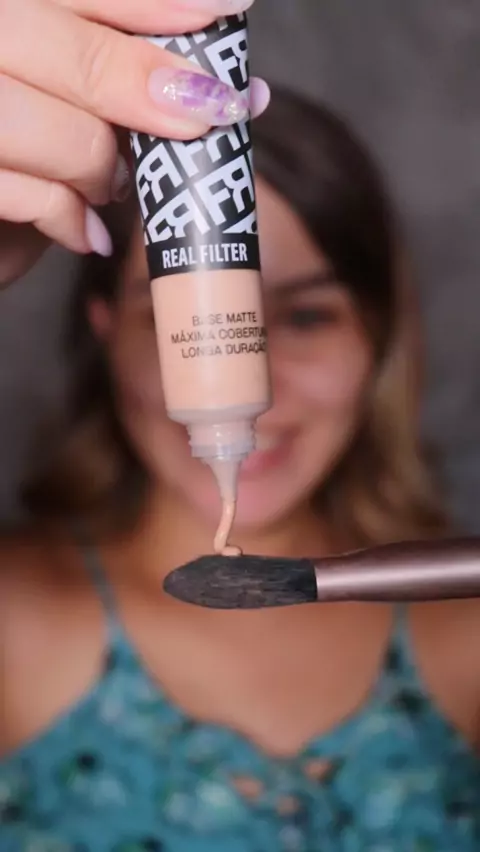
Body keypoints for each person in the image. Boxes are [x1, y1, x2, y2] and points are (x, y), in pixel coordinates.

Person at [1, 17, 479, 851]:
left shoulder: (467, 643)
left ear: (376, 335)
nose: (255, 375)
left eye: (307, 315)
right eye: (178, 317)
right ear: (106, 330)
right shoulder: (13, 622)